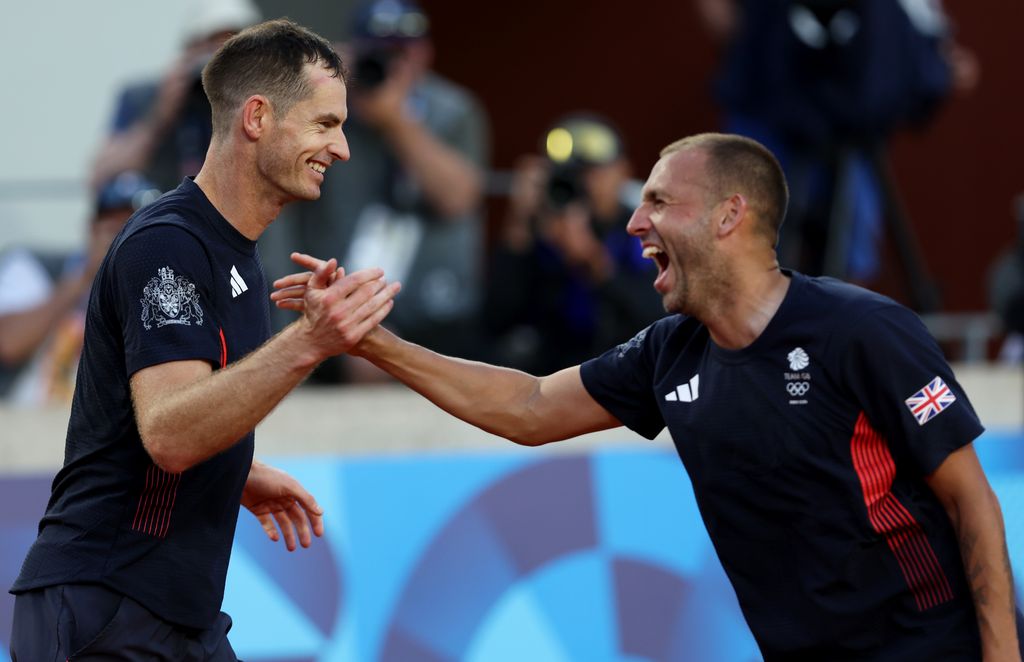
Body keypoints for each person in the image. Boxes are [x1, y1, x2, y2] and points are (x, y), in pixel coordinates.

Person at [276, 133, 1023, 659]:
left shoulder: (864, 331)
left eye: (659, 202)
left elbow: (971, 503)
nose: (634, 222)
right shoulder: (672, 351)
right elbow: (530, 408)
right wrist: (370, 340)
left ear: (730, 215)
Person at [9, 19, 400, 661]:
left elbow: (162, 419)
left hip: (173, 618)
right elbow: (170, 434)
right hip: (105, 607)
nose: (344, 148)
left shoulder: (238, 257)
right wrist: (310, 341)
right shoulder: (167, 245)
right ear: (256, 118)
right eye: (325, 124)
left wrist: (235, 469)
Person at [259, 0, 490, 381]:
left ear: (425, 52)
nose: (392, 64)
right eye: (380, 52)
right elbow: (276, 174)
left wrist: (395, 120)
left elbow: (458, 198)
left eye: (403, 50)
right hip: (337, 306)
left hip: (437, 312)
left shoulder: (455, 110)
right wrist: (314, 84)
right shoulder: (324, 106)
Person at [483, 113, 663, 374]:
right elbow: (495, 321)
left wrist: (595, 264)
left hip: (623, 375)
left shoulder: (640, 231)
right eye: (574, 176)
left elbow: (658, 321)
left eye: (594, 173)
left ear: (623, 172)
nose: (584, 185)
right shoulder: (541, 234)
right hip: (550, 376)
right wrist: (519, 226)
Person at [0, 172, 160, 404]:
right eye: (117, 230)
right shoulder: (35, 267)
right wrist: (86, 276)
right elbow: (8, 343)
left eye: (140, 230)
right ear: (93, 228)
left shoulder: (166, 286)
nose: (127, 242)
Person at [88, 0, 261, 192]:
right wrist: (160, 116)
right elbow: (101, 175)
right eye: (211, 47)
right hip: (161, 214)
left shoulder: (257, 102)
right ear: (189, 50)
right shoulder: (145, 97)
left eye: (232, 49)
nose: (218, 62)